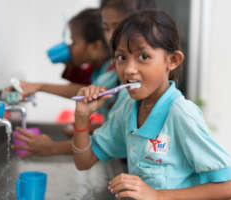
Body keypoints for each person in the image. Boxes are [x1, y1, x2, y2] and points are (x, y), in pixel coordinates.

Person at [72, 10, 231, 200]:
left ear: (172, 61)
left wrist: (157, 195)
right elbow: (83, 161)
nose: (129, 69)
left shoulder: (181, 113)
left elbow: (229, 187)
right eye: (121, 58)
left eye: (143, 57)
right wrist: (81, 118)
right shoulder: (128, 105)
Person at [13, 0, 158, 158]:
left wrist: (52, 148)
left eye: (74, 42)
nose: (111, 36)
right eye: (106, 28)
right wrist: (87, 130)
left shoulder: (132, 83)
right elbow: (114, 129)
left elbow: (115, 139)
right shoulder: (112, 74)